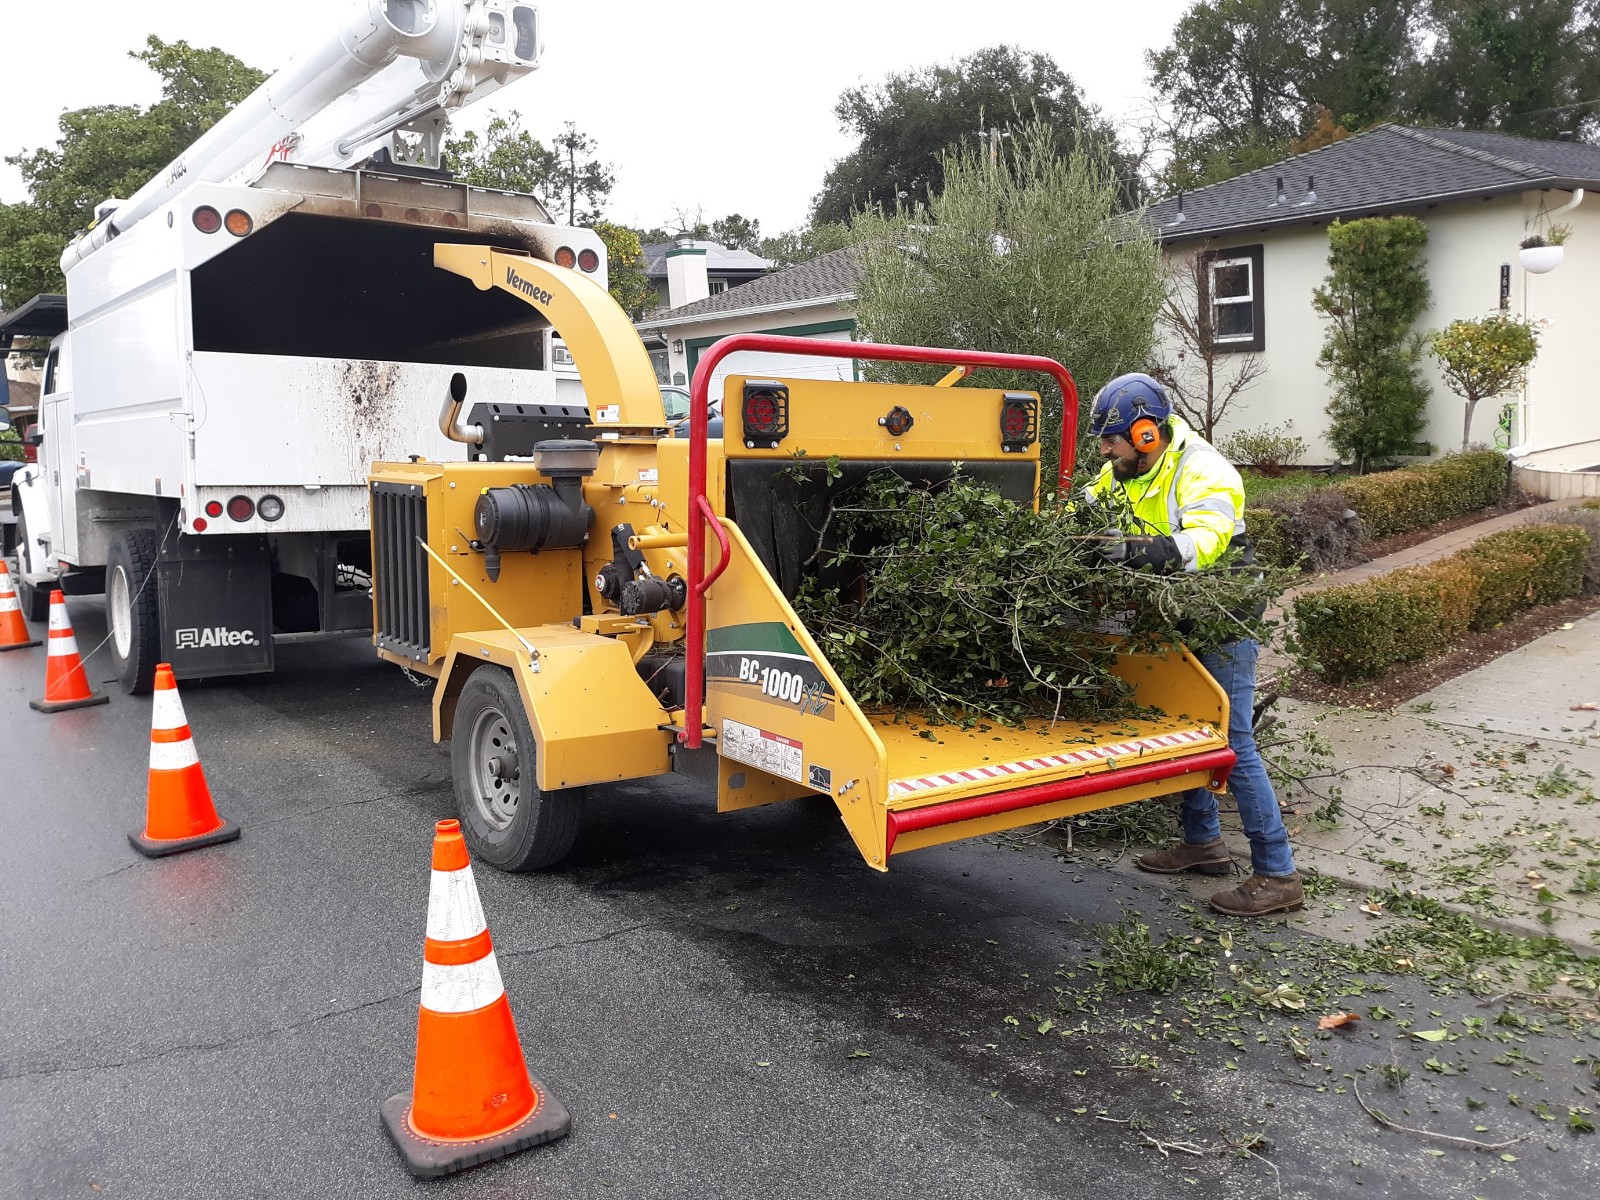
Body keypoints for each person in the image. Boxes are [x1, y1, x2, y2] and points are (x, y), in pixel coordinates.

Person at [1083, 372, 1301, 917]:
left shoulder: (1206, 470)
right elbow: (1083, 507)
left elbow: (1203, 542)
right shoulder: (1125, 469)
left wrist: (1131, 551)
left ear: (1147, 434)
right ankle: (1203, 844)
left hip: (1223, 612)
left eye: (1112, 441)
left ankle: (1278, 874)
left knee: (1230, 737)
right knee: (1185, 723)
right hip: (1179, 610)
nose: (1107, 453)